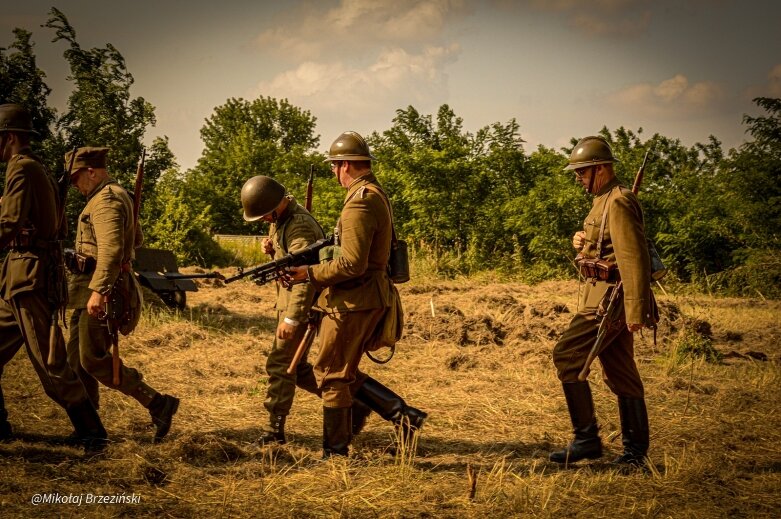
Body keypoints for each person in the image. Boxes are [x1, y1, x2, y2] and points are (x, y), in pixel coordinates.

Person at [286, 131, 426, 457]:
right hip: (361, 297)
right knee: (341, 369)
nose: (334, 174)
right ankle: (403, 416)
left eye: (334, 167)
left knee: (331, 374)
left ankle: (335, 453)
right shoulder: (372, 194)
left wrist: (309, 274)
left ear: (344, 165)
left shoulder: (360, 202)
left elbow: (351, 264)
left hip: (354, 300)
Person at [0, 104, 107, 453]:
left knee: (50, 362)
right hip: (19, 276)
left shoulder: (23, 169)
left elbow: (10, 222)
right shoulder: (30, 168)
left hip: (29, 276)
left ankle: (92, 432)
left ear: (10, 138)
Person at [549, 135, 657, 467]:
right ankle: (635, 453)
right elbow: (601, 249)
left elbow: (634, 258)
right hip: (598, 295)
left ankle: (587, 440)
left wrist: (636, 309)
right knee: (621, 370)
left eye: (581, 173)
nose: (578, 179)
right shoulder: (603, 200)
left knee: (566, 355)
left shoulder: (620, 201)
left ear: (600, 169)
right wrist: (581, 242)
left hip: (610, 301)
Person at [65, 146, 178, 443]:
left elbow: (113, 250)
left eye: (76, 177)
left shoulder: (106, 200)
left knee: (92, 359)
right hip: (90, 287)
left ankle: (157, 402)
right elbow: (135, 238)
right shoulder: (115, 196)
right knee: (76, 361)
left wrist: (99, 291)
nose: (75, 185)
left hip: (102, 288)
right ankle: (89, 429)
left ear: (91, 171)